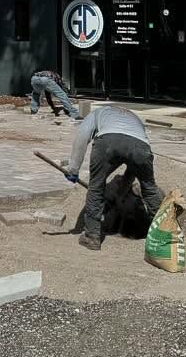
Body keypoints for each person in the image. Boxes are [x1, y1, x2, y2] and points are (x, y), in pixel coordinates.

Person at [62, 104, 165, 251]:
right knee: (149, 189)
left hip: (107, 143)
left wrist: (73, 168)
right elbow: (132, 170)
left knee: (96, 187)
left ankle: (92, 237)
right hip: (140, 147)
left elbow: (82, 135)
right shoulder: (134, 118)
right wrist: (120, 195)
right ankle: (163, 235)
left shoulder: (97, 113)